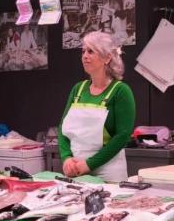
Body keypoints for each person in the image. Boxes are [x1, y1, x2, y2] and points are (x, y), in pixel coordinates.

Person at [58, 31, 136, 181]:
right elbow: (62, 128)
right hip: (77, 170)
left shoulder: (121, 91)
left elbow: (122, 136)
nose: (84, 56)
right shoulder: (78, 89)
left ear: (107, 58)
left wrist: (89, 164)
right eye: (83, 51)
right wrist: (66, 158)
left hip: (108, 172)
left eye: (91, 51)